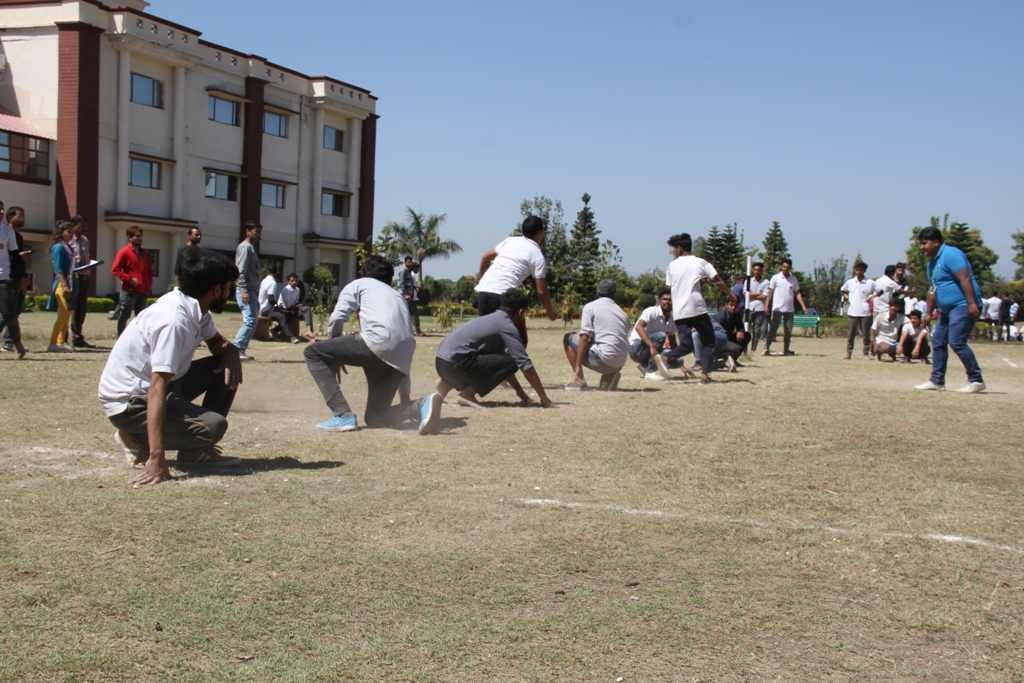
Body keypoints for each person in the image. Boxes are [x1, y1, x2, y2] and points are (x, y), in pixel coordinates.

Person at [98, 248, 245, 485]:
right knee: (213, 426)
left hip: (159, 389)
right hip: (131, 403)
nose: (229, 294)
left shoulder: (196, 307)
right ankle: (135, 438)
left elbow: (217, 344)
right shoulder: (175, 322)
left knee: (224, 365)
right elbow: (156, 387)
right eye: (228, 287)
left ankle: (193, 452)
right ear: (216, 289)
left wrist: (231, 350)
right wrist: (157, 458)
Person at [303, 254, 441, 434]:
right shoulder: (398, 296)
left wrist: (333, 356)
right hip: (401, 356)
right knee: (376, 418)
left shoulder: (359, 284)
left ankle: (342, 415)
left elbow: (337, 318)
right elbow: (402, 342)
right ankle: (420, 405)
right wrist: (405, 395)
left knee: (313, 353)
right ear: (390, 279)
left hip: (378, 343)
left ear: (363, 274)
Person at [435, 288, 557, 408]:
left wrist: (520, 392)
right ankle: (467, 394)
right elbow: (522, 362)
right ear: (520, 312)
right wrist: (544, 398)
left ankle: (446, 384)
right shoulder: (506, 325)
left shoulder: (491, 318)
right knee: (513, 360)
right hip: (456, 366)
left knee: (504, 360)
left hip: (442, 364)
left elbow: (501, 366)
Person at [914, 226, 985, 393]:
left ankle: (976, 379)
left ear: (936, 242)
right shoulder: (932, 263)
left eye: (925, 243)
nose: (921, 247)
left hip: (962, 306)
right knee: (938, 340)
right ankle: (937, 380)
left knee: (957, 341)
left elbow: (965, 278)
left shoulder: (951, 255)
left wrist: (971, 303)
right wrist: (928, 313)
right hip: (946, 310)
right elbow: (933, 289)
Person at [664, 233, 737, 384]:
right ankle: (704, 376)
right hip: (696, 309)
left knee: (686, 344)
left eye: (674, 249)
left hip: (679, 311)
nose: (673, 252)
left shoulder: (671, 266)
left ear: (679, 248)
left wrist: (697, 284)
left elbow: (675, 286)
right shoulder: (701, 263)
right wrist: (730, 295)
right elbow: (717, 280)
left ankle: (666, 357)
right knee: (708, 342)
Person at [475, 215, 558, 332]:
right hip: (503, 297)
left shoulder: (510, 241)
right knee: (518, 339)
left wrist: (483, 282)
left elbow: (485, 258)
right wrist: (550, 313)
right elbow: (541, 291)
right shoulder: (537, 255)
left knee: (486, 337)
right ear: (539, 234)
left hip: (484, 294)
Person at [564, 279, 630, 390]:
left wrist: (578, 366)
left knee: (568, 338)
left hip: (603, 360)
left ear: (597, 291)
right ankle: (610, 375)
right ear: (614, 293)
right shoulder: (622, 313)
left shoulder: (590, 307)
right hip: (620, 362)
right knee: (606, 345)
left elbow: (584, 337)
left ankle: (579, 380)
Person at [111, 225, 152, 337]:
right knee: (124, 314)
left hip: (143, 290)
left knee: (141, 316)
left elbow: (149, 270)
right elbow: (115, 269)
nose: (140, 238)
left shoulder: (144, 254)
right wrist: (128, 279)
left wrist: (148, 285)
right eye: (137, 236)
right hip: (129, 290)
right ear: (129, 237)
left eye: (141, 236)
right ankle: (121, 336)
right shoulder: (124, 252)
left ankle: (138, 338)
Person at [627, 289, 677, 380]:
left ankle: (645, 365)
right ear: (659, 301)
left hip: (651, 350)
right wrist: (652, 346)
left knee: (678, 360)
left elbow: (673, 343)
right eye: (664, 299)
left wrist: (682, 367)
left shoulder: (672, 320)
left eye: (670, 300)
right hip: (636, 348)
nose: (667, 302)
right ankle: (650, 371)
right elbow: (639, 327)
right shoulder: (651, 311)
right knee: (660, 335)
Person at [763, 258, 808, 357]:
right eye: (783, 267)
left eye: (787, 267)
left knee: (788, 331)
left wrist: (803, 306)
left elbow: (797, 293)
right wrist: (767, 306)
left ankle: (786, 350)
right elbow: (770, 293)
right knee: (773, 329)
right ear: (781, 267)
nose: (785, 269)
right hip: (777, 308)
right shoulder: (775, 278)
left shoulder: (793, 279)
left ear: (790, 268)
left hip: (789, 309)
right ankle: (766, 348)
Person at [0, 204, 29, 358]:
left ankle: (17, 344)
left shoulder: (7, 231)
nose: (1, 212)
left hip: (3, 277)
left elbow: (14, 255)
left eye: (2, 209)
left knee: (9, 313)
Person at [232, 220, 262, 361]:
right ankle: (236, 349)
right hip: (246, 290)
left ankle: (241, 350)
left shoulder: (251, 248)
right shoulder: (245, 248)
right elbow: (240, 271)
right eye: (256, 231)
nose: (259, 234)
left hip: (252, 290)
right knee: (250, 320)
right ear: (247, 232)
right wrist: (243, 289)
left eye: (260, 231)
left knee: (253, 321)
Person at [47, 221, 76, 353]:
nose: (71, 235)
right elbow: (58, 268)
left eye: (72, 232)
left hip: (70, 282)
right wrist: (64, 285)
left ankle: (60, 341)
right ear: (61, 232)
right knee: (63, 314)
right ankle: (52, 343)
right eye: (68, 232)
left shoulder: (68, 247)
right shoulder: (58, 247)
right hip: (61, 283)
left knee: (67, 313)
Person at [69, 215, 96, 348]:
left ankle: (78, 336)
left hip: (84, 276)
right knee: (71, 306)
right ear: (73, 226)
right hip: (74, 277)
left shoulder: (85, 240)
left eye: (85, 225)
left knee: (81, 307)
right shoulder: (69, 240)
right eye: (80, 225)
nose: (84, 228)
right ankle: (69, 337)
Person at [841, 261, 876, 360]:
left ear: (864, 270)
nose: (859, 272)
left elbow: (880, 291)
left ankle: (866, 353)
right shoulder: (851, 282)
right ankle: (849, 353)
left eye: (861, 270)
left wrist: (871, 297)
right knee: (851, 335)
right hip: (852, 312)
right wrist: (846, 296)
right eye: (857, 270)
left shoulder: (869, 282)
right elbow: (842, 290)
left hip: (865, 312)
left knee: (866, 334)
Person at [278, 272, 316, 342]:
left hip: (293, 308)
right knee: (306, 312)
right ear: (288, 282)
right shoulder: (286, 290)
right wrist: (300, 305)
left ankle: (309, 331)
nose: (295, 282)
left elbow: (295, 302)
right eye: (292, 281)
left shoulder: (297, 289)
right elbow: (288, 306)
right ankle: (310, 332)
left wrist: (302, 304)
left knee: (307, 309)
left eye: (296, 281)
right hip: (284, 310)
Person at [713, 297, 748, 363]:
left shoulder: (737, 315)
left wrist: (741, 331)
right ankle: (720, 357)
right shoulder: (721, 317)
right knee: (737, 349)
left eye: (736, 306)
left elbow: (740, 325)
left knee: (747, 335)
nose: (733, 308)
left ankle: (733, 360)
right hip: (718, 342)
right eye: (731, 305)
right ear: (726, 305)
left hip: (727, 338)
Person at [871, 297, 905, 362]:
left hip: (894, 342)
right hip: (882, 341)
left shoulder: (901, 317)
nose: (893, 308)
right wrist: (874, 344)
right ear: (889, 307)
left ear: (899, 308)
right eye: (891, 306)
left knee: (906, 346)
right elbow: (872, 330)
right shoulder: (881, 316)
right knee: (885, 348)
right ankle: (878, 354)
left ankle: (893, 354)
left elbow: (911, 323)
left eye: (896, 306)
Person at [746, 262, 770, 355]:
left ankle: (753, 350)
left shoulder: (766, 282)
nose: (756, 272)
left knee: (756, 331)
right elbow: (746, 294)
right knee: (746, 330)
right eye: (755, 270)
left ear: (762, 271)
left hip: (760, 309)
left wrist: (752, 295)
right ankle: (744, 349)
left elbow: (764, 295)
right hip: (750, 308)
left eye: (758, 270)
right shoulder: (748, 281)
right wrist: (758, 293)